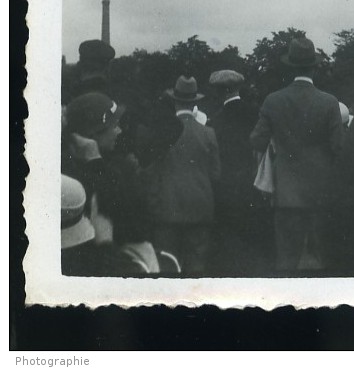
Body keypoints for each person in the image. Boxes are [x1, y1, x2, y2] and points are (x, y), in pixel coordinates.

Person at [250, 37, 344, 274]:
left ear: (291, 67)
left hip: (286, 194)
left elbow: (256, 140)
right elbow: (339, 147)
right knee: (324, 261)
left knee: (286, 262)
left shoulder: (273, 100)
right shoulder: (330, 102)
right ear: (314, 67)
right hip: (322, 195)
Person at [142, 75, 221, 276]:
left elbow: (149, 173)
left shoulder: (160, 131)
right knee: (197, 267)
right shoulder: (208, 133)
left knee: (167, 267)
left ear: (174, 101)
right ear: (195, 102)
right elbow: (215, 173)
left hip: (167, 209)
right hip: (200, 208)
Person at [62, 91, 145, 246]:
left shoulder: (115, 165)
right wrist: (95, 162)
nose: (119, 131)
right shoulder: (78, 174)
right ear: (91, 136)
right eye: (113, 126)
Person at [208, 70, 268, 274]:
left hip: (224, 187)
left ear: (218, 91)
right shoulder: (255, 113)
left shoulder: (215, 120)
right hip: (252, 183)